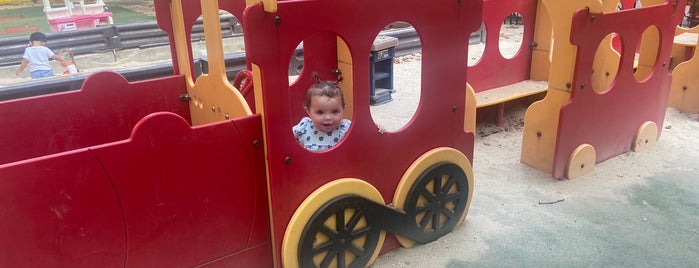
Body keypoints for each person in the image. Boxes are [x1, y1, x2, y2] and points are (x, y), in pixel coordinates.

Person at [293, 77, 351, 151]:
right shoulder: (303, 127)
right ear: (308, 112)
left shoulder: (346, 128)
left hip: (339, 162)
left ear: (343, 109)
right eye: (320, 112)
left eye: (335, 111)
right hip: (310, 162)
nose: (328, 117)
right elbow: (286, 139)